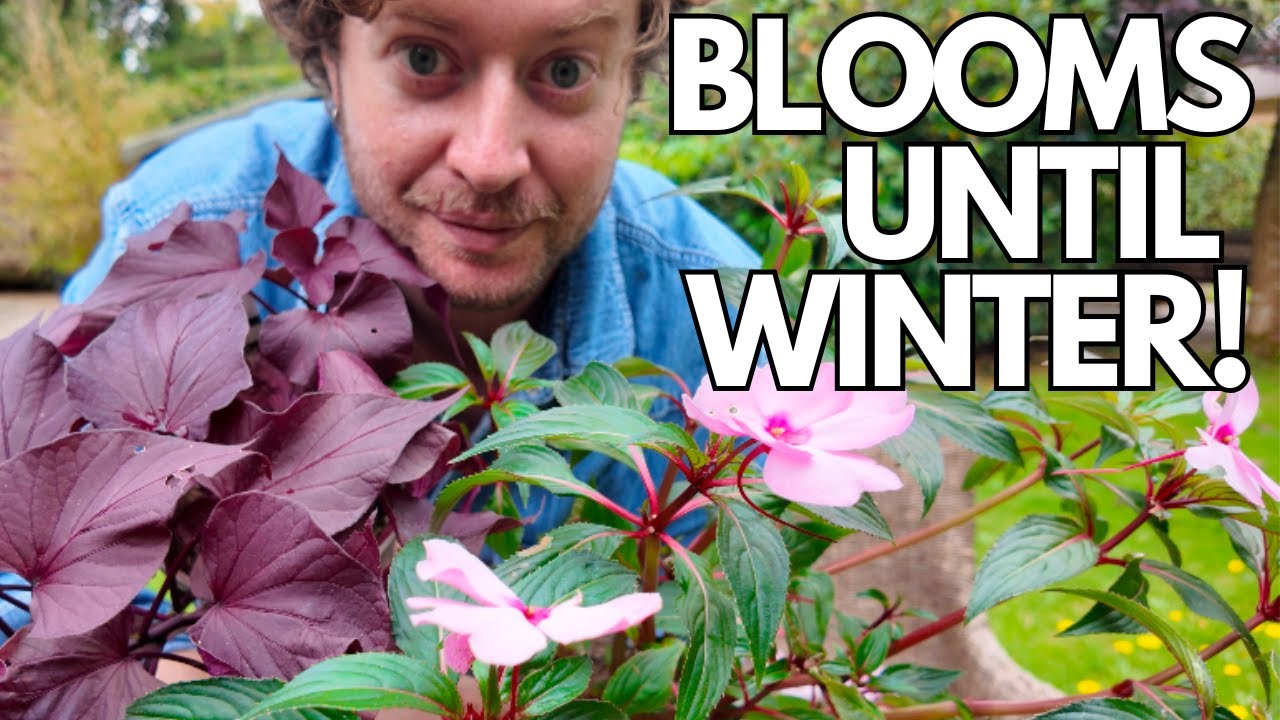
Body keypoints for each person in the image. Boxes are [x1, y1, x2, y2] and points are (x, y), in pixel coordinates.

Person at [60, 0, 759, 541]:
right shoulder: (178, 229)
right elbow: (30, 606)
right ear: (332, 60)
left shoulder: (725, 310)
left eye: (566, 71)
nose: (488, 161)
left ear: (630, 81)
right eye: (424, 58)